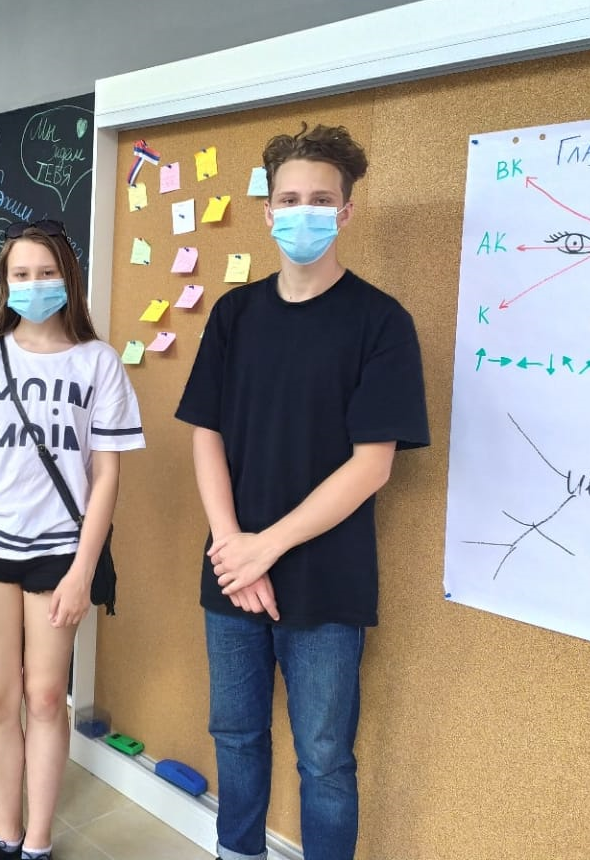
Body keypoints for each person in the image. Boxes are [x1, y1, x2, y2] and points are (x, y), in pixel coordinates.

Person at [175, 124, 429, 860]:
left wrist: (266, 549)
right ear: (267, 211)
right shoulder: (234, 316)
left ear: (346, 211)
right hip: (232, 573)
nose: (303, 212)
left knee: (324, 761)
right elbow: (205, 434)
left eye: (320, 200)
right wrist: (235, 548)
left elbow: (372, 466)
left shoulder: (381, 322)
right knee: (235, 736)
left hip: (325, 582)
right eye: (289, 199)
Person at [0, 219, 145, 860]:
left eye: (47, 272)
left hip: (60, 551)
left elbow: (106, 476)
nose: (34, 285)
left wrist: (83, 570)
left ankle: (38, 843)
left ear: (69, 279)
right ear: (5, 283)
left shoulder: (99, 362)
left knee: (47, 697)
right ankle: (6, 835)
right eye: (21, 274)